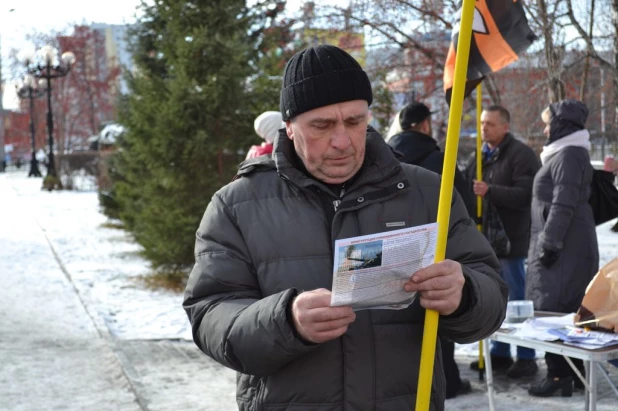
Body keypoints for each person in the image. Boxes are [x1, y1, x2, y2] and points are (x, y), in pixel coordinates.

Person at [183, 44, 508, 411]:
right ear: (289, 127)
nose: (341, 141)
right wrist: (284, 321)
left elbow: (492, 295)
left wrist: (465, 295)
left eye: (354, 122)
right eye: (321, 126)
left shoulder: (428, 192)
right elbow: (210, 315)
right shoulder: (237, 205)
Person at [388, 101, 476, 399]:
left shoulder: (383, 156)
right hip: (437, 249)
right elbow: (461, 208)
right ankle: (448, 378)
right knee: (440, 309)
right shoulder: (442, 158)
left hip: (394, 251)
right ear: (424, 124)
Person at [526, 100, 599, 397]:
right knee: (564, 305)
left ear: (561, 125)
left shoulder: (568, 154)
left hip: (562, 244)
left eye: (548, 123)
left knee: (555, 307)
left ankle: (559, 376)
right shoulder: (567, 153)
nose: (544, 129)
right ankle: (571, 373)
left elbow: (563, 203)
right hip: (568, 242)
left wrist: (549, 243)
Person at [466, 105, 541, 378]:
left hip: (510, 240)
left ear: (505, 127)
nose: (484, 128)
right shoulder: (480, 153)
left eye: (490, 124)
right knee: (493, 296)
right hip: (485, 240)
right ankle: (498, 352)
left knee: (516, 299)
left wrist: (491, 190)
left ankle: (526, 356)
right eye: (483, 123)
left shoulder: (520, 155)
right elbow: (467, 184)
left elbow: (527, 193)